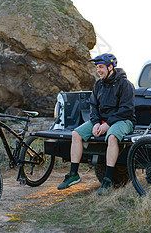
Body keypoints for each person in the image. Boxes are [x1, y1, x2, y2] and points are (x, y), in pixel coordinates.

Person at [57, 53, 136, 195]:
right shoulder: (99, 84)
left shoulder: (126, 85)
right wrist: (96, 123)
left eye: (101, 67)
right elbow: (93, 105)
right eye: (97, 67)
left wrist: (107, 124)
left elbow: (126, 109)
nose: (98, 70)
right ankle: (73, 174)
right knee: (76, 134)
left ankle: (107, 179)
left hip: (124, 120)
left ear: (111, 67)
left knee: (112, 137)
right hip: (103, 121)